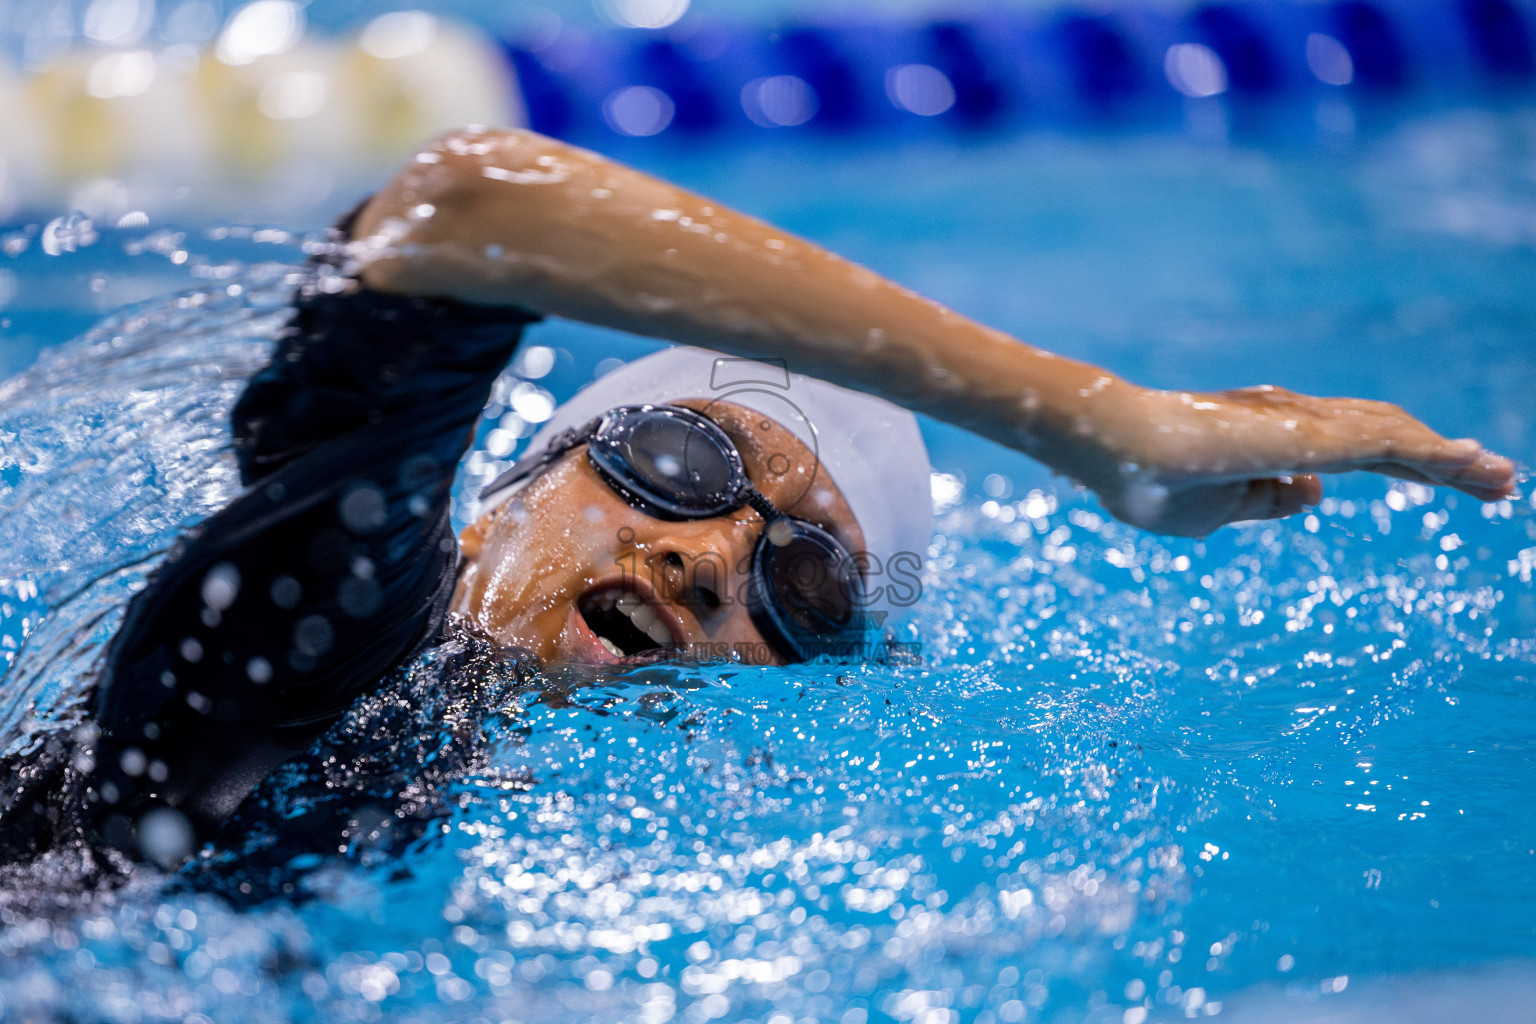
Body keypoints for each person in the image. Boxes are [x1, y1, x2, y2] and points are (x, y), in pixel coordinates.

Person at [0, 127, 1514, 875]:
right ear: (511, 486)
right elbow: (468, 205)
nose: (720, 553)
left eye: (811, 588)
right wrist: (1090, 418)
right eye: (681, 459)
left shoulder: (448, 804)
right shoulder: (329, 644)